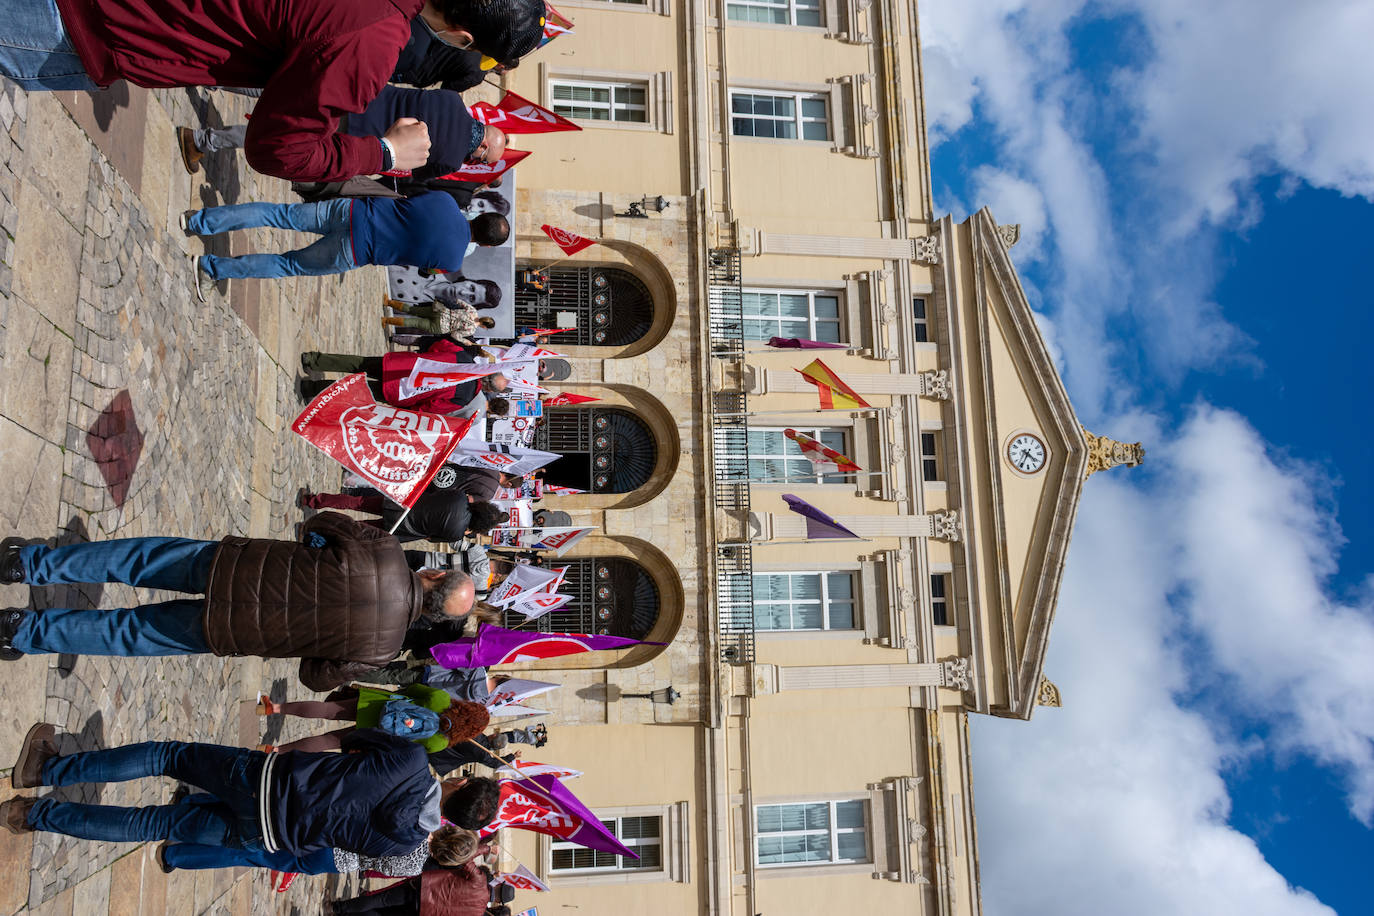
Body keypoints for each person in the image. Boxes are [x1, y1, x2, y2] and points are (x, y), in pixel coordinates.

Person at [0, 0, 544, 182]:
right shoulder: (371, 41)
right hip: (104, 23)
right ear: (463, 36)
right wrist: (383, 152)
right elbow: (277, 148)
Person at [0, 515, 475, 689]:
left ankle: (30, 565)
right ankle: (20, 629)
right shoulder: (382, 650)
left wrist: (315, 548)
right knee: (127, 633)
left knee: (135, 561)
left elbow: (322, 522)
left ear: (433, 574)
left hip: (237, 566)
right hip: (236, 631)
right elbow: (313, 677)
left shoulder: (386, 551)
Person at [1, 723, 438, 862]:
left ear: (459, 784)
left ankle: (48, 768)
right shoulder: (401, 845)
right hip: (271, 835)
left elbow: (350, 737)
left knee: (167, 757)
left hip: (270, 779)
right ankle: (32, 815)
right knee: (152, 824)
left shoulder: (414, 762)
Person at [185, 196, 509, 298]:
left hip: (353, 210)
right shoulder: (451, 261)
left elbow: (409, 200)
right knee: (289, 264)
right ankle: (211, 267)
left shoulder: (445, 200)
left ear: (481, 215)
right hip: (357, 250)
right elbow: (425, 267)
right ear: (483, 243)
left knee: (279, 213)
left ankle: (198, 221)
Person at [178, 86, 509, 180]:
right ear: (482, 145)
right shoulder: (451, 160)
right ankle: (201, 140)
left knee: (280, 90)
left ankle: (213, 74)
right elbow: (413, 173)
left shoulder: (453, 100)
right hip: (359, 136)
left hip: (359, 93)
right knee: (280, 133)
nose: (477, 161)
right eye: (483, 157)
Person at [160, 822, 481, 876]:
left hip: (329, 839)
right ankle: (179, 854)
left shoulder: (416, 827)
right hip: (333, 862)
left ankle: (182, 839)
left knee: (254, 837)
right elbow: (374, 866)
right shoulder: (413, 867)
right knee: (249, 856)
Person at [299, 338, 510, 416]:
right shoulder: (464, 397)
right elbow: (431, 407)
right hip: (404, 391)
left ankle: (314, 359)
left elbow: (438, 345)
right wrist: (408, 410)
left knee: (359, 363)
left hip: (401, 366)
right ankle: (312, 388)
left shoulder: (464, 357)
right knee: (356, 390)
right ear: (488, 390)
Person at [259, 684, 490, 754]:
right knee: (331, 741)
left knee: (327, 709)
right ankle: (274, 751)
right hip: (379, 734)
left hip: (378, 706)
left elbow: (411, 688)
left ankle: (273, 708)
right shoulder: (440, 742)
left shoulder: (440, 698)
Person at [303, 488, 509, 544]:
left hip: (401, 504)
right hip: (402, 528)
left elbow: (435, 493)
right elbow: (430, 538)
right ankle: (319, 530)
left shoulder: (458, 497)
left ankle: (315, 500)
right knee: (357, 528)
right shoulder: (457, 534)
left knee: (357, 502)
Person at [325, 860, 493, 916]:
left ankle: (338, 907)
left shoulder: (479, 880)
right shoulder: (478, 912)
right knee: (383, 913)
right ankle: (344, 912)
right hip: (423, 911)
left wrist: (485, 848)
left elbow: (466, 857)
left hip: (422, 889)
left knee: (380, 899)